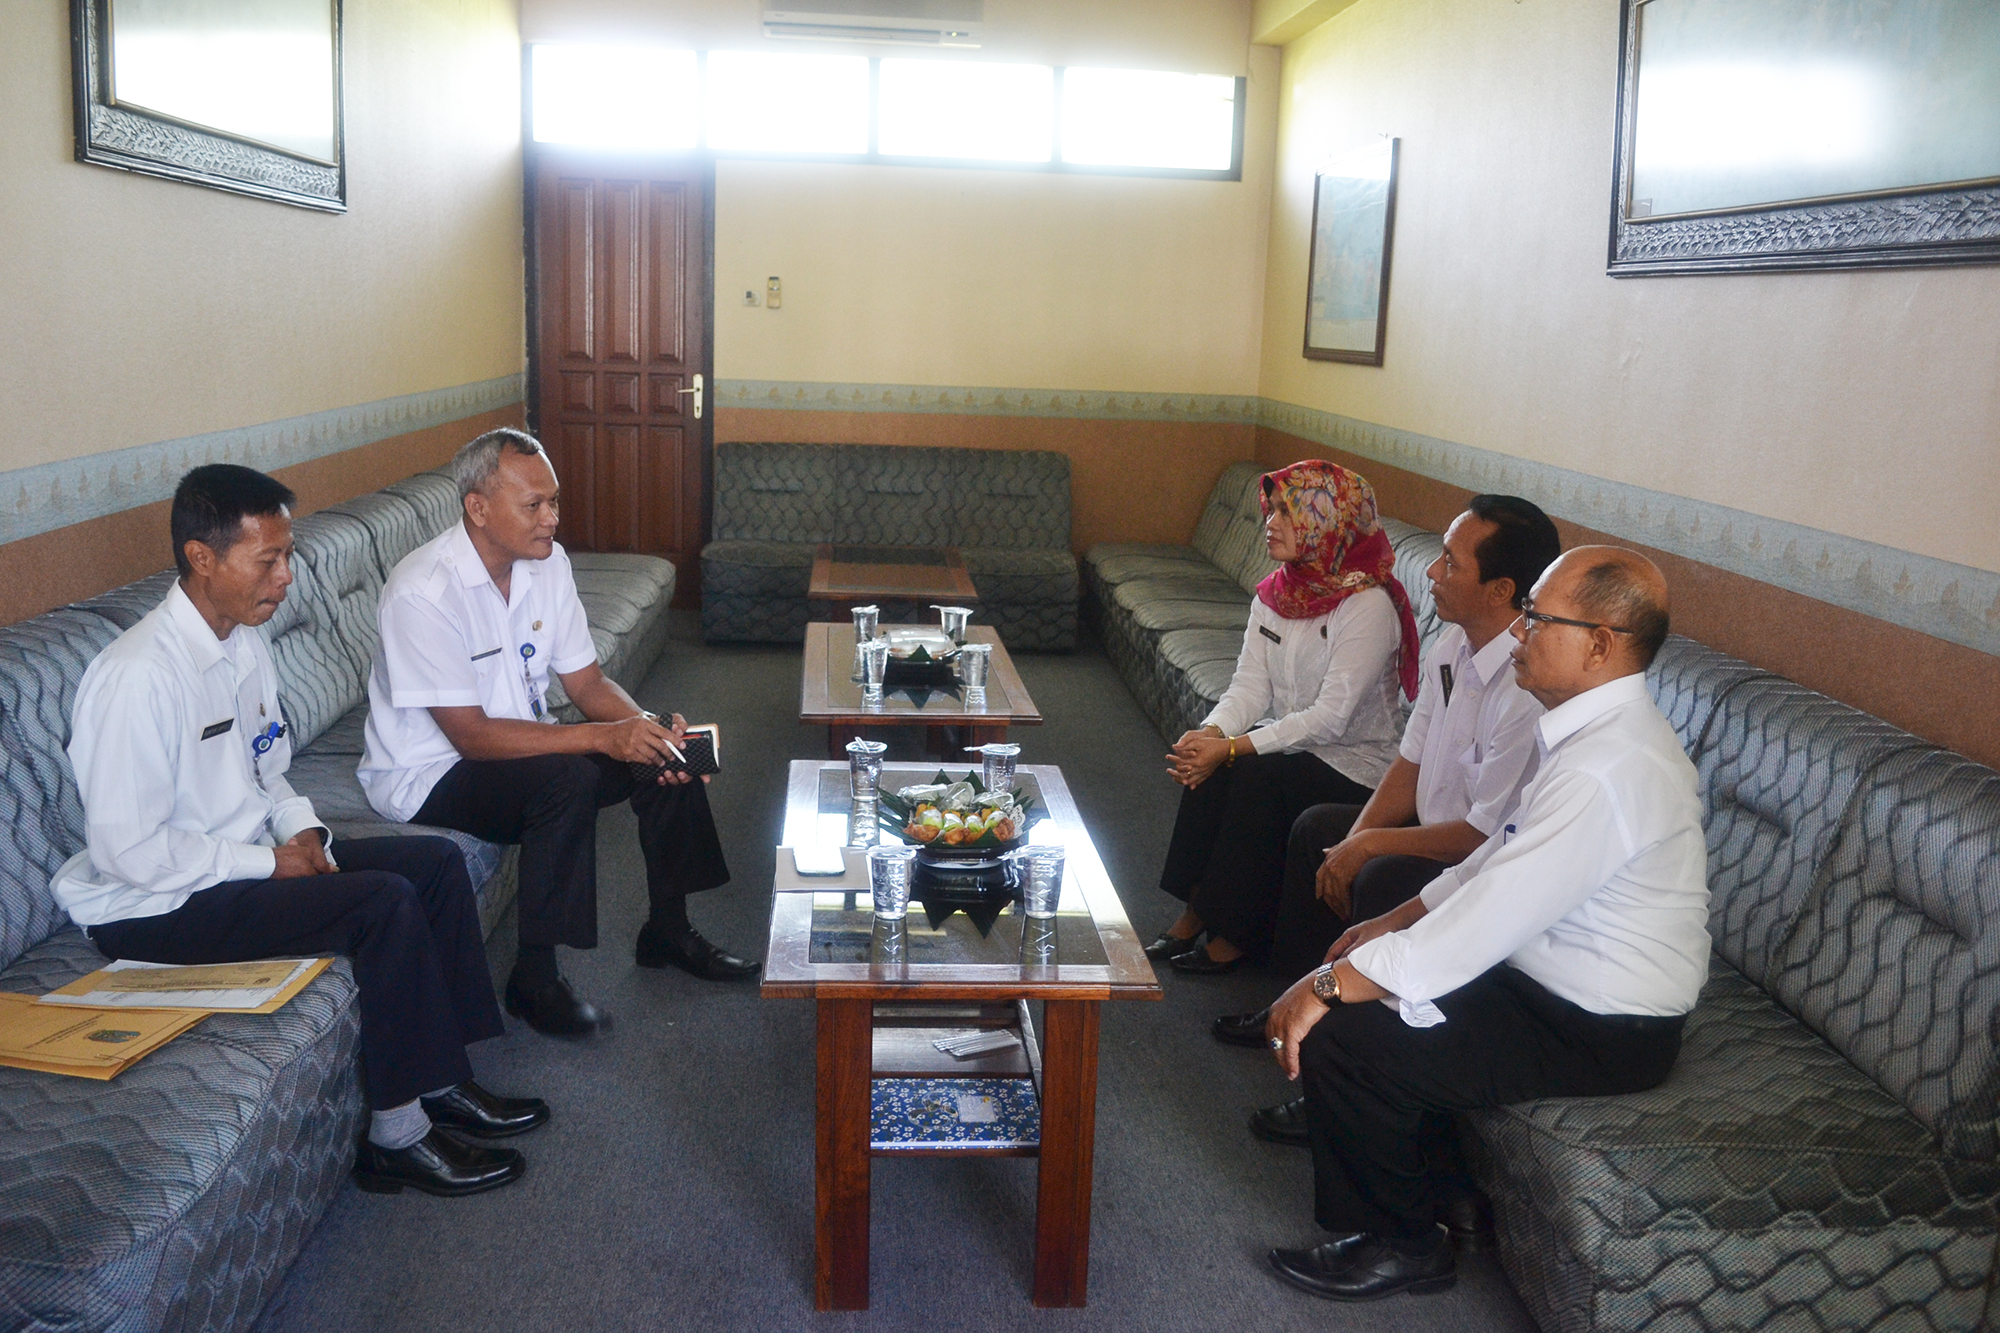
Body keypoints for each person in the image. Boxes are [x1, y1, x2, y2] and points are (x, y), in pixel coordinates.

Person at [53, 464, 545, 1199]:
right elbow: (130, 851)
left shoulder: (242, 643)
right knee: (382, 903)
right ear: (202, 557)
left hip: (240, 861)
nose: (287, 577)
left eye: (289, 555)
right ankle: (397, 1138)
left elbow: (268, 769)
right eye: (268, 560)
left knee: (435, 864)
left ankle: (445, 1082)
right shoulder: (137, 676)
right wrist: (268, 863)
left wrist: (304, 829)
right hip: (156, 903)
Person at [1257, 547, 1707, 1303]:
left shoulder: (1609, 766)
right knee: (1385, 976)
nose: (1519, 631)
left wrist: (1328, 984)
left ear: (1601, 644)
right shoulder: (1585, 731)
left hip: (1599, 1025)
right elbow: (1500, 853)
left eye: (1538, 617)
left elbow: (1495, 915)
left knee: (1351, 1038)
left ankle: (1403, 1245)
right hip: (1543, 980)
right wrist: (1396, 918)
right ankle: (1447, 1190)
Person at [359, 429, 754, 1040]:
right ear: (478, 508)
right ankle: (535, 980)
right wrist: (601, 738)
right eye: (534, 505)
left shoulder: (548, 563)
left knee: (660, 748)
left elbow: (587, 681)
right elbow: (471, 737)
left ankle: (669, 931)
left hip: (521, 745)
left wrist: (643, 727)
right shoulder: (423, 592)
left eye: (555, 501)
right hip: (430, 773)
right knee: (566, 778)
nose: (552, 518)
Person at [1214, 495, 1559, 1075]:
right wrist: (1351, 842)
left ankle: (1336, 1054)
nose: (1431, 572)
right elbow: (1410, 762)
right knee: (1320, 834)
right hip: (1434, 830)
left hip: (1479, 862)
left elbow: (1482, 837)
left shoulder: (1525, 689)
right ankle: (1289, 1005)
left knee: (1380, 871)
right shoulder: (1451, 647)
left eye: (1450, 563)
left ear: (1500, 590)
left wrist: (1369, 846)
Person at [1147, 460, 1421, 974]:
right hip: (1297, 746)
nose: (1270, 523)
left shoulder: (1366, 606)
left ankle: (1233, 933)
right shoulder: (1277, 592)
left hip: (1355, 763)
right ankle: (1196, 909)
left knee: (1253, 773)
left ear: (1326, 522)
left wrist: (1232, 747)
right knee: (1213, 760)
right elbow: (1249, 687)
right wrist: (1211, 734)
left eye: (1287, 513)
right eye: (1271, 510)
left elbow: (1331, 718)